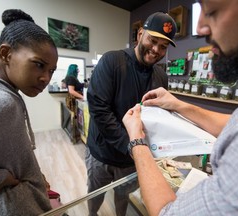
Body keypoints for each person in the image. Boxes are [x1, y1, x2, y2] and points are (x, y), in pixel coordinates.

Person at [123, 0, 238, 215]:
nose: (200, 27)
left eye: (212, 10)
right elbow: (236, 123)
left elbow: (168, 212)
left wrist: (137, 141)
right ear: (140, 35)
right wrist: (177, 104)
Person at [86, 12, 177, 216]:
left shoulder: (161, 76)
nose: (156, 50)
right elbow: (99, 109)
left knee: (123, 195)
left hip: (132, 158)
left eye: (163, 47)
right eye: (152, 41)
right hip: (103, 153)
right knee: (94, 194)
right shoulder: (112, 61)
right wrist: (131, 146)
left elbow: (159, 117)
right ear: (140, 34)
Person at [0, 9, 58, 215]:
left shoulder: (5, 95)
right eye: (39, 65)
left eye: (51, 71)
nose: (45, 78)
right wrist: (0, 179)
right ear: (5, 54)